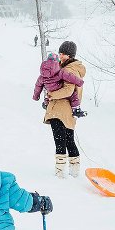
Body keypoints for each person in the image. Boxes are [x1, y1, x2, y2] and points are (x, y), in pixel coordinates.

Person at [43, 40, 86, 179]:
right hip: (69, 111)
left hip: (60, 110)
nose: (60, 56)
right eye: (60, 53)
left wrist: (50, 95)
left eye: (63, 54)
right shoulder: (74, 69)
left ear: (70, 55)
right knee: (69, 140)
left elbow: (68, 90)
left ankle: (59, 173)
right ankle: (74, 172)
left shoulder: (68, 70)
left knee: (60, 141)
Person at [33, 52, 87, 119]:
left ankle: (46, 103)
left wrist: (36, 96)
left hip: (50, 90)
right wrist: (79, 82)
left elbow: (37, 86)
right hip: (59, 88)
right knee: (73, 94)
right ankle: (76, 110)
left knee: (48, 95)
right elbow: (70, 77)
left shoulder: (41, 76)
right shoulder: (60, 71)